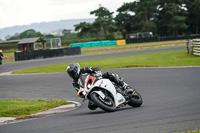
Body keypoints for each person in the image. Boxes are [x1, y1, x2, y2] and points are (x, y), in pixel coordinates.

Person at [66, 63, 134, 110]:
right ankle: (104, 101)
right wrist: (81, 94)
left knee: (109, 74)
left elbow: (96, 68)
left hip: (98, 79)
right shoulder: (74, 82)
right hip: (89, 90)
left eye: (72, 72)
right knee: (91, 107)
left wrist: (97, 73)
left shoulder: (84, 69)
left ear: (76, 69)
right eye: (70, 73)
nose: (72, 74)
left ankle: (124, 86)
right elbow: (78, 90)